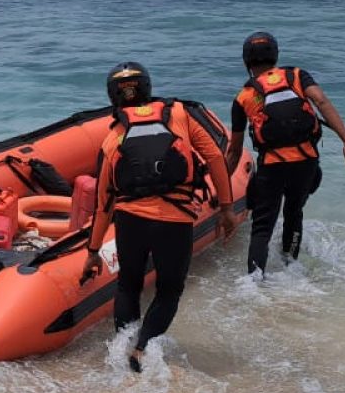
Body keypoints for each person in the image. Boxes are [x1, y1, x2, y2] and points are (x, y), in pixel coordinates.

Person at [82, 62, 237, 373]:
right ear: (148, 87)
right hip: (175, 220)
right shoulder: (179, 113)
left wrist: (93, 251)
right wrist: (226, 208)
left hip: (131, 221)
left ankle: (123, 344)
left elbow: (104, 201)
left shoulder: (113, 136)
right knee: (169, 289)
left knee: (128, 285)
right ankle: (141, 349)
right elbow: (216, 157)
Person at [227, 31, 345, 276]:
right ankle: (292, 267)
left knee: (262, 226)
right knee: (293, 211)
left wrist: (222, 187)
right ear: (275, 54)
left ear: (247, 61)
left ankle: (254, 283)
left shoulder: (243, 96)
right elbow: (321, 102)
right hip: (306, 162)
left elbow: (234, 151)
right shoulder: (297, 75)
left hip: (271, 166)